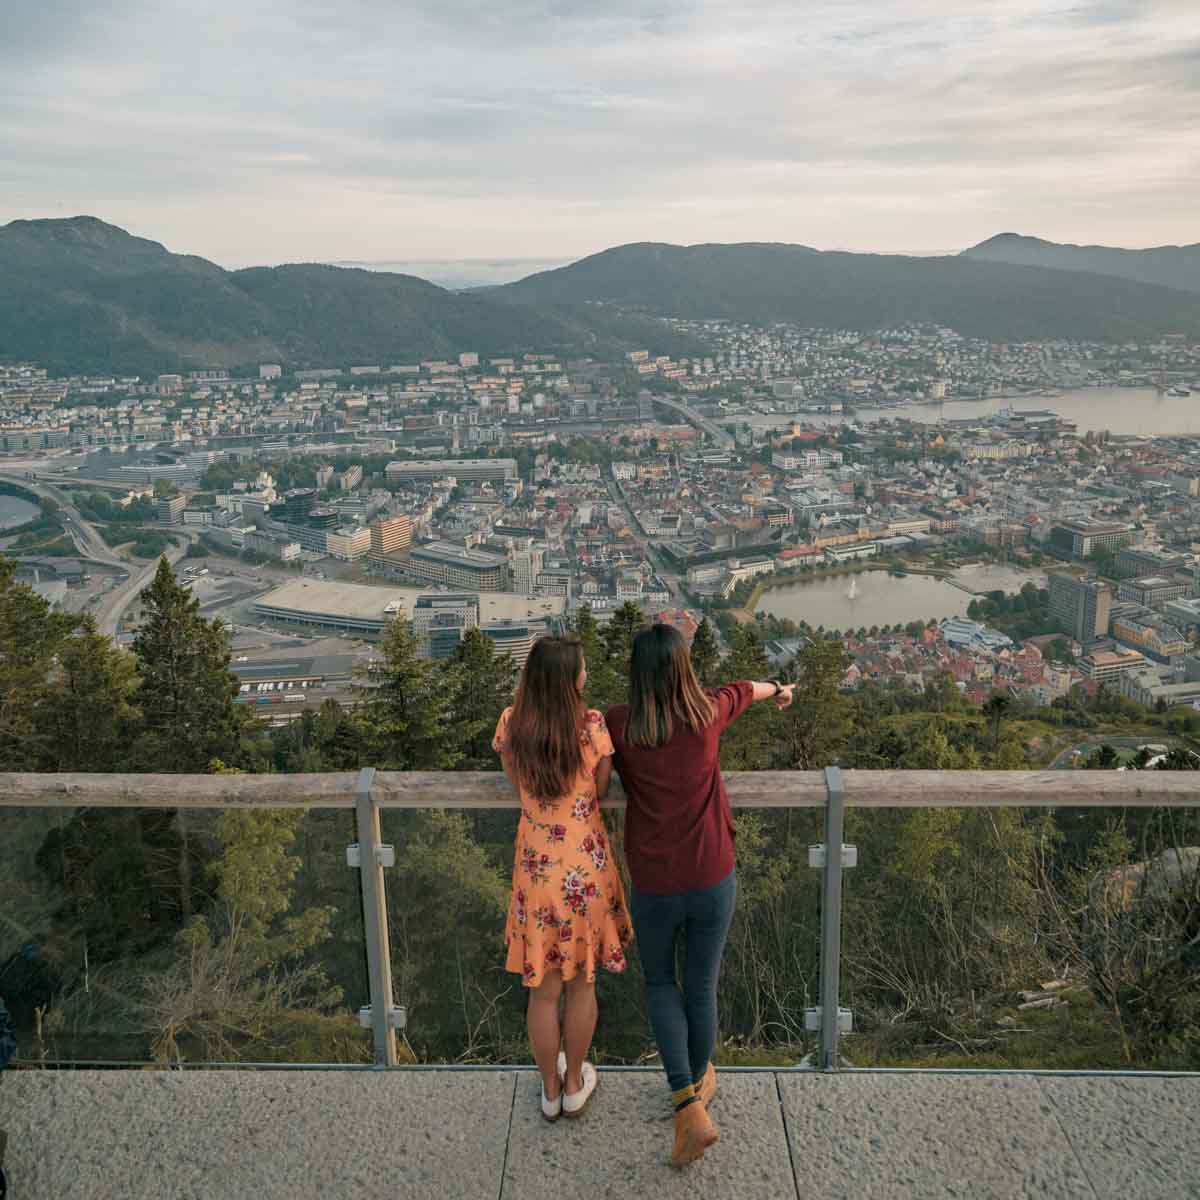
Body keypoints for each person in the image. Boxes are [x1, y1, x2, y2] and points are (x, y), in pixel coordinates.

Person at [607, 623, 794, 1168]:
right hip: (712, 872)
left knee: (662, 981)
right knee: (702, 984)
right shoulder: (708, 714)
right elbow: (749, 687)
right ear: (685, 670)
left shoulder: (621, 726)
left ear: (637, 675)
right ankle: (698, 1089)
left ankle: (687, 1101)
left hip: (656, 881)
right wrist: (780, 690)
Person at [493, 635, 633, 1122]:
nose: (587, 675)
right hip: (585, 869)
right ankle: (574, 1082)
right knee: (582, 985)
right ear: (569, 679)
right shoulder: (591, 727)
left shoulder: (512, 726)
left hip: (535, 873)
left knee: (543, 990)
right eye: (582, 669)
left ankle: (549, 1090)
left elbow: (516, 783)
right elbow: (597, 789)